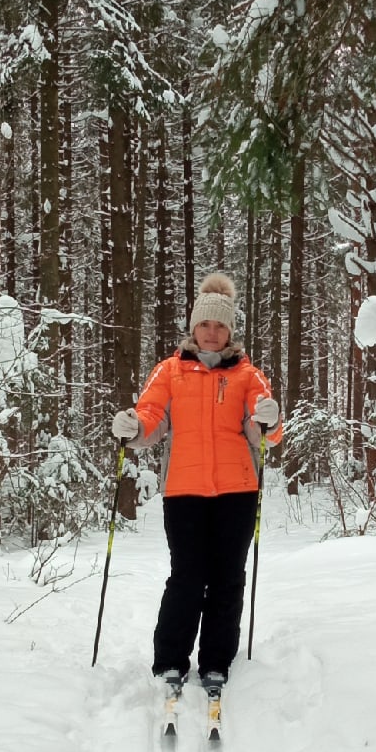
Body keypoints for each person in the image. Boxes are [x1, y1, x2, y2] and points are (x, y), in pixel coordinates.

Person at [111, 273, 282, 706]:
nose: (212, 332)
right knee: (187, 577)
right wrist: (132, 429)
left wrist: (269, 420)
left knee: (227, 579)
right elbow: (151, 417)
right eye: (205, 324)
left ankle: (216, 661)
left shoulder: (248, 375)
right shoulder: (169, 372)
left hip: (237, 491)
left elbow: (264, 431)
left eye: (220, 326)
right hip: (184, 492)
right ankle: (170, 659)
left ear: (230, 331)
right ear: (194, 327)